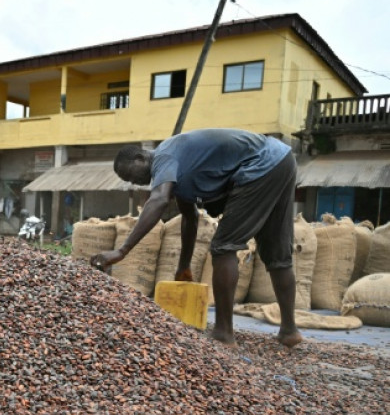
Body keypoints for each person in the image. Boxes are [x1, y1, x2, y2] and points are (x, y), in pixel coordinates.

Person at [90, 128, 302, 349]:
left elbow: (159, 200)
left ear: (140, 157)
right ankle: (289, 331)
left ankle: (223, 334)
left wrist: (122, 251)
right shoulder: (179, 169)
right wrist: (184, 266)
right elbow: (190, 218)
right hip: (282, 161)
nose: (135, 182)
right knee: (277, 253)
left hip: (261, 165)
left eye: (130, 175)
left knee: (223, 248)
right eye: (129, 181)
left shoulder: (164, 156)